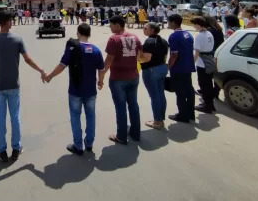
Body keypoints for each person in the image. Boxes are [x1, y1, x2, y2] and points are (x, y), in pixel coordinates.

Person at [0, 11, 46, 162]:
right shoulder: (17, 39)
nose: (12, 22)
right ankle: (16, 148)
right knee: (15, 118)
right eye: (11, 20)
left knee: (0, 118)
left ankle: (2, 150)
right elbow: (28, 59)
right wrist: (41, 71)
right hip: (13, 85)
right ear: (7, 22)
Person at [44, 24, 105, 155]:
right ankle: (89, 143)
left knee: (75, 117)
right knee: (91, 116)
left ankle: (78, 146)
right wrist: (100, 81)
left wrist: (50, 76)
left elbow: (62, 66)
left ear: (78, 33)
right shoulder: (96, 50)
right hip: (90, 91)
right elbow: (101, 69)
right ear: (89, 34)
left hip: (75, 90)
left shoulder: (73, 48)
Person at [104, 16, 142, 144]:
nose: (110, 27)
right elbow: (140, 56)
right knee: (133, 105)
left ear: (118, 25)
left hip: (118, 78)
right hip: (133, 76)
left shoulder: (114, 39)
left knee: (120, 107)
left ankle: (121, 136)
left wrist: (102, 74)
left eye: (111, 24)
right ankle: (136, 133)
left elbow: (109, 59)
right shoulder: (135, 37)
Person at [167, 14, 195, 123]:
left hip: (178, 68)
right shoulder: (188, 34)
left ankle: (183, 115)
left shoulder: (173, 36)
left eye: (169, 22)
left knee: (180, 93)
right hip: (188, 66)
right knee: (189, 90)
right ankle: (190, 113)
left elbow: (174, 55)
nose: (168, 24)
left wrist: (169, 66)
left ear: (173, 22)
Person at [140, 22, 169, 129]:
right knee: (160, 94)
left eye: (146, 28)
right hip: (162, 68)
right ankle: (160, 118)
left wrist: (137, 58)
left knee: (154, 96)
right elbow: (165, 56)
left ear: (152, 30)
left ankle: (157, 121)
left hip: (151, 70)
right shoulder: (164, 41)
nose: (144, 29)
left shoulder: (149, 41)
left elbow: (147, 58)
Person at [191, 17, 216, 114]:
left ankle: (207, 106)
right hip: (210, 60)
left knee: (204, 85)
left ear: (198, 25)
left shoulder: (199, 36)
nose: (193, 27)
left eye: (194, 25)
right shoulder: (209, 33)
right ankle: (210, 104)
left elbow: (197, 52)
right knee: (209, 84)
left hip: (202, 63)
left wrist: (192, 63)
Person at [203, 16, 224, 99]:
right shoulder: (218, 29)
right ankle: (216, 92)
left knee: (207, 76)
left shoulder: (209, 31)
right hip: (218, 53)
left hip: (211, 54)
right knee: (216, 74)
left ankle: (210, 92)